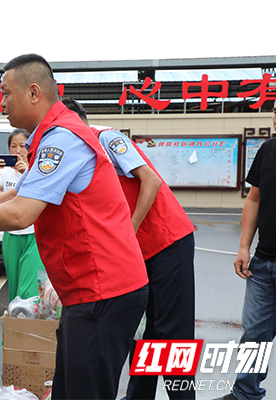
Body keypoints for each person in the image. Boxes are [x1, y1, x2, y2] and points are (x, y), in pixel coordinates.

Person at [0, 53, 149, 400]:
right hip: (87, 291)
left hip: (102, 291)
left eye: (5, 93)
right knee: (67, 389)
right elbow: (17, 193)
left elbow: (21, 213)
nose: (0, 102)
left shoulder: (63, 138)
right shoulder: (49, 136)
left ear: (34, 92)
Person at [62, 97, 196, 400]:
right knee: (144, 330)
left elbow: (150, 181)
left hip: (166, 241)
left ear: (75, 122)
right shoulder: (80, 152)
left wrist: (129, 231)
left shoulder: (107, 138)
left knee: (172, 333)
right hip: (136, 251)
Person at [215, 101, 276, 400]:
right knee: (254, 335)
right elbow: (253, 200)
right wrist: (243, 247)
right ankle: (245, 394)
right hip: (263, 265)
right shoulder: (268, 151)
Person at [0, 128, 45, 302]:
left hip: (34, 235)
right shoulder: (4, 173)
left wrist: (29, 171)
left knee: (29, 286)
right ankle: (14, 322)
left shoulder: (38, 169)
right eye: (13, 146)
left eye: (22, 146)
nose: (17, 151)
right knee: (15, 284)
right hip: (11, 234)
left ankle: (28, 320)